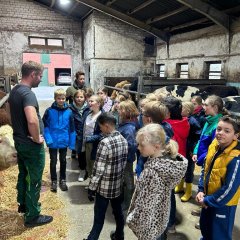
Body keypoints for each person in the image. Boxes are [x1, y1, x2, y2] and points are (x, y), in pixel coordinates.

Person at [8, 61, 53, 227]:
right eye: (40, 76)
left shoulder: (15, 91)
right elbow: (32, 120)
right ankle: (32, 216)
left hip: (19, 141)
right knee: (34, 179)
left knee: (23, 174)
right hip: (31, 145)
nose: (41, 79)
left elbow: (8, 110)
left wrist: (19, 129)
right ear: (33, 74)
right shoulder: (28, 94)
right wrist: (35, 138)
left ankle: (23, 204)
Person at [127, 123, 188, 240]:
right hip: (160, 218)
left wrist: (132, 220)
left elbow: (145, 206)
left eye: (142, 145)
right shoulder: (168, 162)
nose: (138, 148)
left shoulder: (152, 172)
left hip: (148, 226)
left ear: (156, 146)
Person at [84, 112, 128, 240]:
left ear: (107, 126)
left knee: (99, 218)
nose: (100, 129)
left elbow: (99, 169)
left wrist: (92, 188)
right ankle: (119, 235)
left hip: (104, 188)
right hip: (117, 186)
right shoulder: (123, 140)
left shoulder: (104, 143)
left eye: (101, 126)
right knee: (118, 213)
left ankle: (91, 238)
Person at [196, 116, 240, 240]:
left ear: (236, 136)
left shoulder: (236, 158)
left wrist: (207, 201)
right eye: (219, 129)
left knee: (219, 235)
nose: (220, 133)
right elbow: (205, 169)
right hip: (207, 198)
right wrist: (201, 190)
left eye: (227, 131)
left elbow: (229, 189)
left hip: (223, 205)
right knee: (206, 228)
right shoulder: (214, 145)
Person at [163, 96, 190, 233]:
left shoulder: (166, 125)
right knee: (170, 192)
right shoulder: (185, 122)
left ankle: (170, 223)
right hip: (179, 163)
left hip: (169, 162)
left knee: (168, 194)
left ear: (168, 111)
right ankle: (170, 223)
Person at [42, 89, 76, 192]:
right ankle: (54, 181)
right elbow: (45, 126)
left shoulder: (69, 112)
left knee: (63, 161)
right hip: (52, 141)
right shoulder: (49, 111)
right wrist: (48, 139)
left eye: (63, 98)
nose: (61, 100)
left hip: (64, 141)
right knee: (53, 162)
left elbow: (72, 128)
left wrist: (71, 143)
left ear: (65, 98)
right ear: (55, 98)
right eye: (59, 98)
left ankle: (63, 180)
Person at [135, 101, 174, 178]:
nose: (141, 116)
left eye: (142, 114)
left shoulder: (150, 137)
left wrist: (139, 174)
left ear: (149, 119)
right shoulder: (166, 130)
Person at [176, 101, 201, 202]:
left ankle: (189, 191)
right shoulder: (181, 119)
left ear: (188, 111)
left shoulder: (193, 122)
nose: (180, 111)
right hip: (182, 148)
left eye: (182, 109)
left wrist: (193, 150)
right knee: (181, 166)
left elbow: (197, 137)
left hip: (189, 149)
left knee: (189, 170)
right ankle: (180, 186)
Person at [118, 100, 139, 210]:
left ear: (128, 111)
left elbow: (131, 145)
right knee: (125, 178)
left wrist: (125, 158)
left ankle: (128, 202)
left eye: (121, 109)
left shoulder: (129, 128)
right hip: (123, 158)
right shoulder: (125, 123)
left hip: (126, 159)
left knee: (128, 179)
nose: (119, 111)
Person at [69, 90, 90, 182]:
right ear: (74, 98)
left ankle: (88, 170)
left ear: (85, 98)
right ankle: (82, 170)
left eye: (81, 97)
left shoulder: (89, 108)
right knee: (80, 153)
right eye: (77, 97)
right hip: (77, 135)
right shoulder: (70, 108)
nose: (79, 99)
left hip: (88, 134)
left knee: (88, 154)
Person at [83, 95, 104, 179]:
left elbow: (103, 133)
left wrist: (90, 139)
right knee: (88, 163)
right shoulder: (88, 113)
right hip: (87, 142)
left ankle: (95, 185)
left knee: (95, 163)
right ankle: (91, 181)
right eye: (89, 101)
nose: (89, 103)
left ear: (98, 104)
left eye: (92, 101)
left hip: (95, 144)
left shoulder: (102, 116)